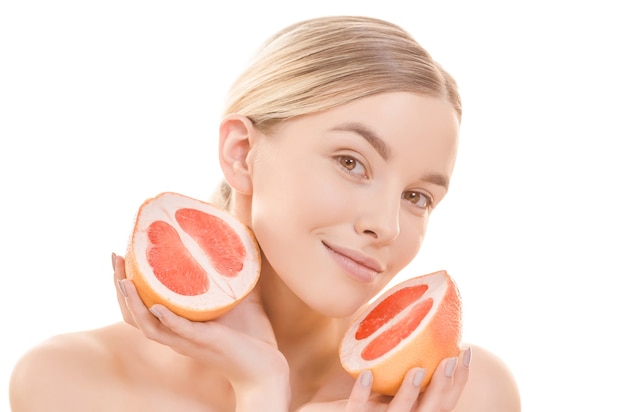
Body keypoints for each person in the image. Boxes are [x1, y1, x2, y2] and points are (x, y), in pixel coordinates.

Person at [9, 16, 520, 411]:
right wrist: (259, 388)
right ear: (241, 153)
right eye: (351, 162)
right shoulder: (73, 381)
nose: (386, 226)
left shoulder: (465, 395)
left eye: (418, 197)